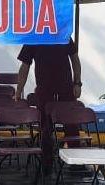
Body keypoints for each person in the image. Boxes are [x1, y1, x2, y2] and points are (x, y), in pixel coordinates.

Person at [15, 39, 82, 173]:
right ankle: (46, 163)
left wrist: (77, 83)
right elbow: (25, 66)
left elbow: (75, 59)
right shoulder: (34, 38)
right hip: (44, 89)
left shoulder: (63, 34)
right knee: (45, 127)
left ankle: (77, 163)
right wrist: (18, 90)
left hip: (66, 88)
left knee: (71, 125)